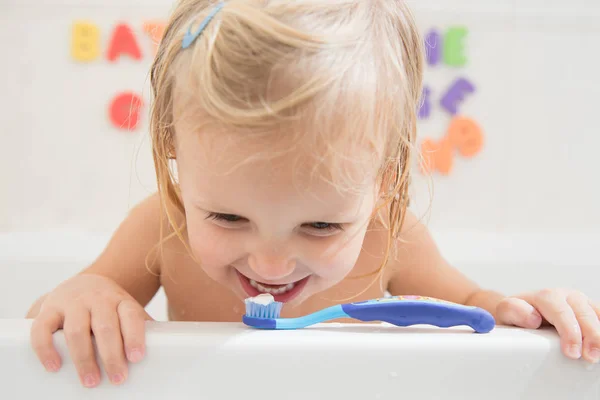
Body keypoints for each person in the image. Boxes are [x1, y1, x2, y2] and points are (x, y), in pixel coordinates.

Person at [26, 0, 600, 388]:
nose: (270, 263)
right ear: (175, 151)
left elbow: (480, 312)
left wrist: (528, 311)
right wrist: (84, 294)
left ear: (385, 181)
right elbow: (56, 315)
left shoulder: (390, 238)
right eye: (227, 216)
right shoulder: (161, 228)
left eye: (321, 226)